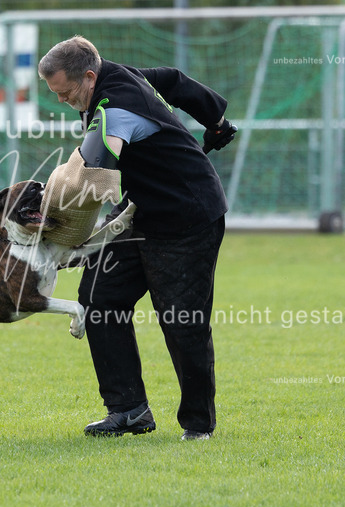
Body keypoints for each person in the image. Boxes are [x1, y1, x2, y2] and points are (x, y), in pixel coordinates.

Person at [38, 35, 236, 441]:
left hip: (188, 217)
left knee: (182, 320)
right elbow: (173, 80)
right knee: (99, 299)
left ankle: (199, 426)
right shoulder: (118, 75)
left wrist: (51, 226)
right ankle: (128, 410)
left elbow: (91, 181)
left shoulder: (114, 109)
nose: (61, 101)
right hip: (139, 213)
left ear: (90, 76)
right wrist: (215, 120)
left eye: (66, 92)